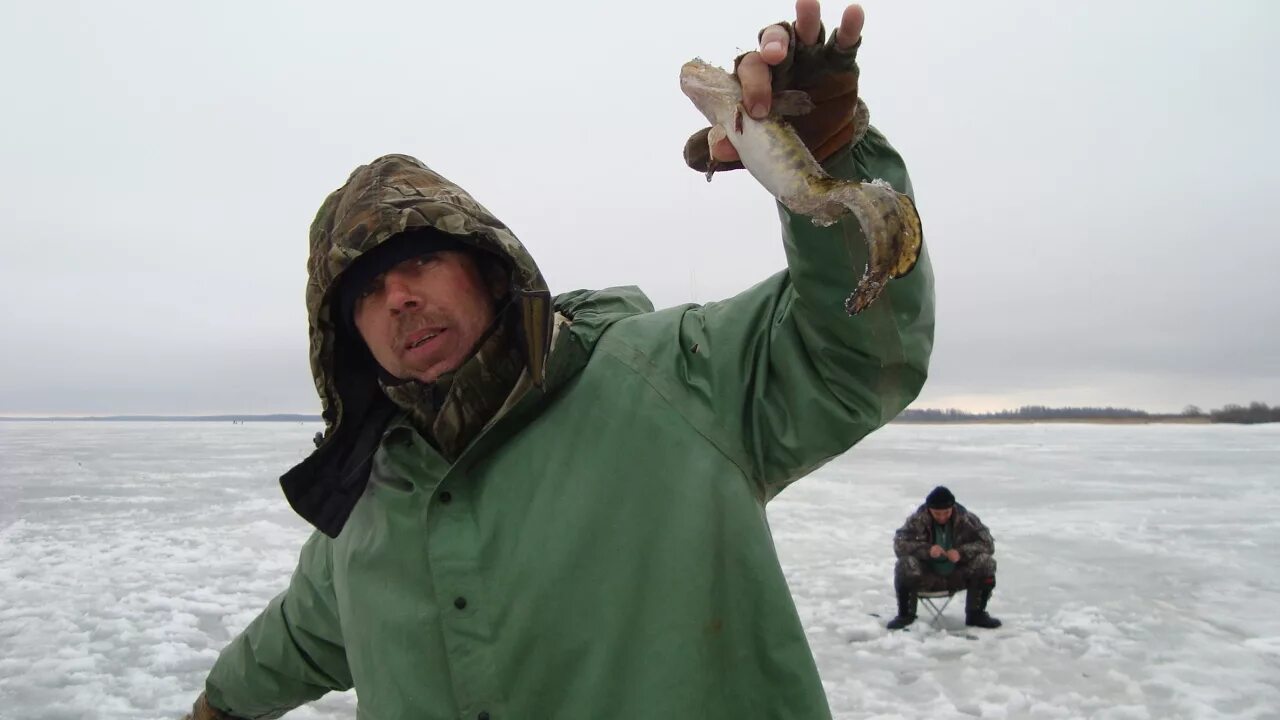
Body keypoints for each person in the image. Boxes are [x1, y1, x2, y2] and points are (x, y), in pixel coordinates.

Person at [184, 2, 934, 718]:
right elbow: (308, 630)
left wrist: (827, 158)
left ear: (486, 266)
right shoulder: (370, 498)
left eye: (419, 261)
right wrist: (217, 706)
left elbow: (852, 359)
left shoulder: (669, 379)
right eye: (367, 291)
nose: (399, 299)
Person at [885, 486, 1002, 630]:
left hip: (958, 575)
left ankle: (976, 614)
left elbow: (988, 544)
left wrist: (962, 552)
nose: (942, 517)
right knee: (905, 564)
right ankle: (905, 615)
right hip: (926, 575)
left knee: (986, 562)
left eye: (946, 512)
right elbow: (899, 544)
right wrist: (926, 550)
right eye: (937, 513)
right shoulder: (917, 520)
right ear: (929, 510)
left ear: (952, 507)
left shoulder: (967, 519)